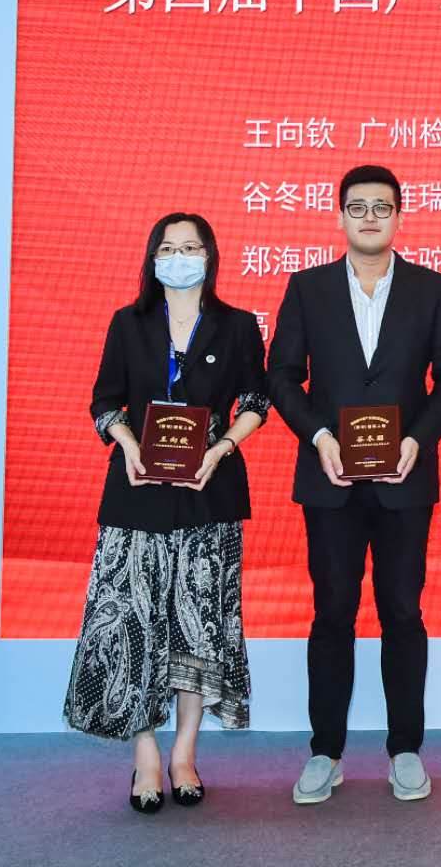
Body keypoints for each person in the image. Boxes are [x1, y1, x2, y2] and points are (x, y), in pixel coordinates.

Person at [267, 164, 441, 805]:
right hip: (331, 481)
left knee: (403, 612)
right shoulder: (308, 288)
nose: (370, 217)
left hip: (405, 479)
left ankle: (406, 749)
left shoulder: (432, 289)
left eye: (382, 207)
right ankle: (325, 752)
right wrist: (321, 438)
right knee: (332, 614)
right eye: (358, 207)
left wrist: (417, 440)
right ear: (340, 216)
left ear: (399, 215)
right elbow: (282, 376)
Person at [66, 213, 268, 813]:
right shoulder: (128, 323)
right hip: (136, 493)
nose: (180, 257)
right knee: (133, 625)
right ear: (154, 259)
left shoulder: (237, 325)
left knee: (198, 628)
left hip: (209, 491)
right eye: (169, 248)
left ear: (210, 256)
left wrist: (222, 447)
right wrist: (128, 444)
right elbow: (105, 400)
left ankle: (184, 755)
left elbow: (256, 399)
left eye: (191, 247)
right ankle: (146, 757)